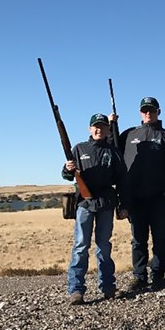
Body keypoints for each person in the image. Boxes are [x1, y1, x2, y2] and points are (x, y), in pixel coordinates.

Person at [62, 113, 129, 305]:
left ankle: (108, 287)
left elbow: (123, 181)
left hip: (106, 203)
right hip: (84, 204)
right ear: (90, 129)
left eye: (103, 126)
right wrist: (68, 169)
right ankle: (76, 290)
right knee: (81, 246)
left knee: (104, 247)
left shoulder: (113, 152)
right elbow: (66, 175)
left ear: (108, 129)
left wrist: (124, 206)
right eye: (95, 126)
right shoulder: (79, 149)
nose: (99, 129)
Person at [119, 97, 165, 291]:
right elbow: (113, 152)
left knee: (160, 238)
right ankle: (139, 275)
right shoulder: (128, 135)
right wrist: (112, 123)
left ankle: (158, 273)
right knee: (138, 239)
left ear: (158, 111)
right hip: (135, 197)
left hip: (158, 198)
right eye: (144, 110)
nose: (148, 113)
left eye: (151, 110)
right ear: (140, 112)